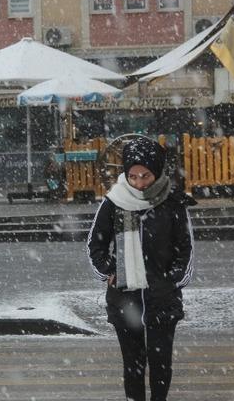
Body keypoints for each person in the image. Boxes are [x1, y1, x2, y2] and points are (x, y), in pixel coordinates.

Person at [86, 137, 195, 401]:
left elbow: (186, 250)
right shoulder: (114, 202)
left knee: (160, 364)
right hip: (125, 299)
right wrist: (109, 270)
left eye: (145, 176)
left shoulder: (173, 203)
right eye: (132, 176)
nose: (138, 183)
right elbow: (95, 245)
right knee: (133, 365)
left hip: (161, 299)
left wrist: (170, 281)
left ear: (156, 172)